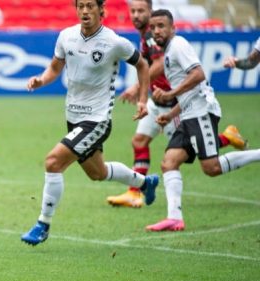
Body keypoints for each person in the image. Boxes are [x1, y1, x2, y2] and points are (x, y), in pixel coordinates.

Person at [20, 0, 159, 246]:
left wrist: (142, 99)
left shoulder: (114, 42)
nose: (85, 11)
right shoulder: (66, 36)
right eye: (80, 6)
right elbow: (54, 67)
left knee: (53, 162)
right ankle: (145, 183)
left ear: (101, 11)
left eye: (90, 6)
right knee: (98, 173)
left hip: (97, 120)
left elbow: (143, 64)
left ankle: (43, 224)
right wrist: (41, 81)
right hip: (73, 118)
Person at [107, 0, 249, 208]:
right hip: (159, 101)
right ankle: (134, 192)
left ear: (150, 11)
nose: (136, 15)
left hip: (175, 103)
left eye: (141, 11)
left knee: (193, 152)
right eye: (133, 11)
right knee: (139, 141)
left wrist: (138, 87)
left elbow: (158, 64)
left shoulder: (153, 35)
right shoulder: (147, 34)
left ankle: (226, 138)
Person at [146, 9, 260, 231]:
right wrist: (170, 114)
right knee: (169, 162)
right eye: (153, 27)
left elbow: (199, 75)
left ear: (172, 28)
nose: (157, 31)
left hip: (201, 112)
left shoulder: (178, 45)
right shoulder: (169, 52)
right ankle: (174, 218)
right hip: (188, 113)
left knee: (212, 168)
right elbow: (189, 91)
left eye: (161, 26)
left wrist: (169, 95)